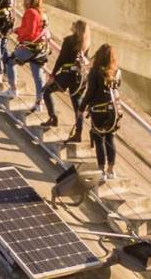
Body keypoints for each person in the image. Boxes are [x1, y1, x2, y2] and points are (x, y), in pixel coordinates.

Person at [42, 19, 90, 140]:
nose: (71, 25)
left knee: (46, 91)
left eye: (73, 24)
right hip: (79, 79)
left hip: (66, 75)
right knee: (77, 105)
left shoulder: (68, 40)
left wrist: (52, 75)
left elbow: (61, 59)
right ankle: (78, 133)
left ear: (76, 28)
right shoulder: (86, 43)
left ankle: (53, 117)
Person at [84, 44, 123, 178]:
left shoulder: (95, 72)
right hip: (112, 111)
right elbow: (117, 86)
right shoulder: (117, 72)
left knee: (98, 138)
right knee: (110, 138)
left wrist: (81, 108)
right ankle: (111, 170)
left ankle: (101, 169)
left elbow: (90, 92)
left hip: (98, 110)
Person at [13, 0, 51, 112]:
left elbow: (29, 33)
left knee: (9, 61)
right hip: (41, 49)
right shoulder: (42, 13)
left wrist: (18, 35)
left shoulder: (31, 12)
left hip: (31, 49)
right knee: (38, 77)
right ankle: (39, 102)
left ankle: (13, 88)